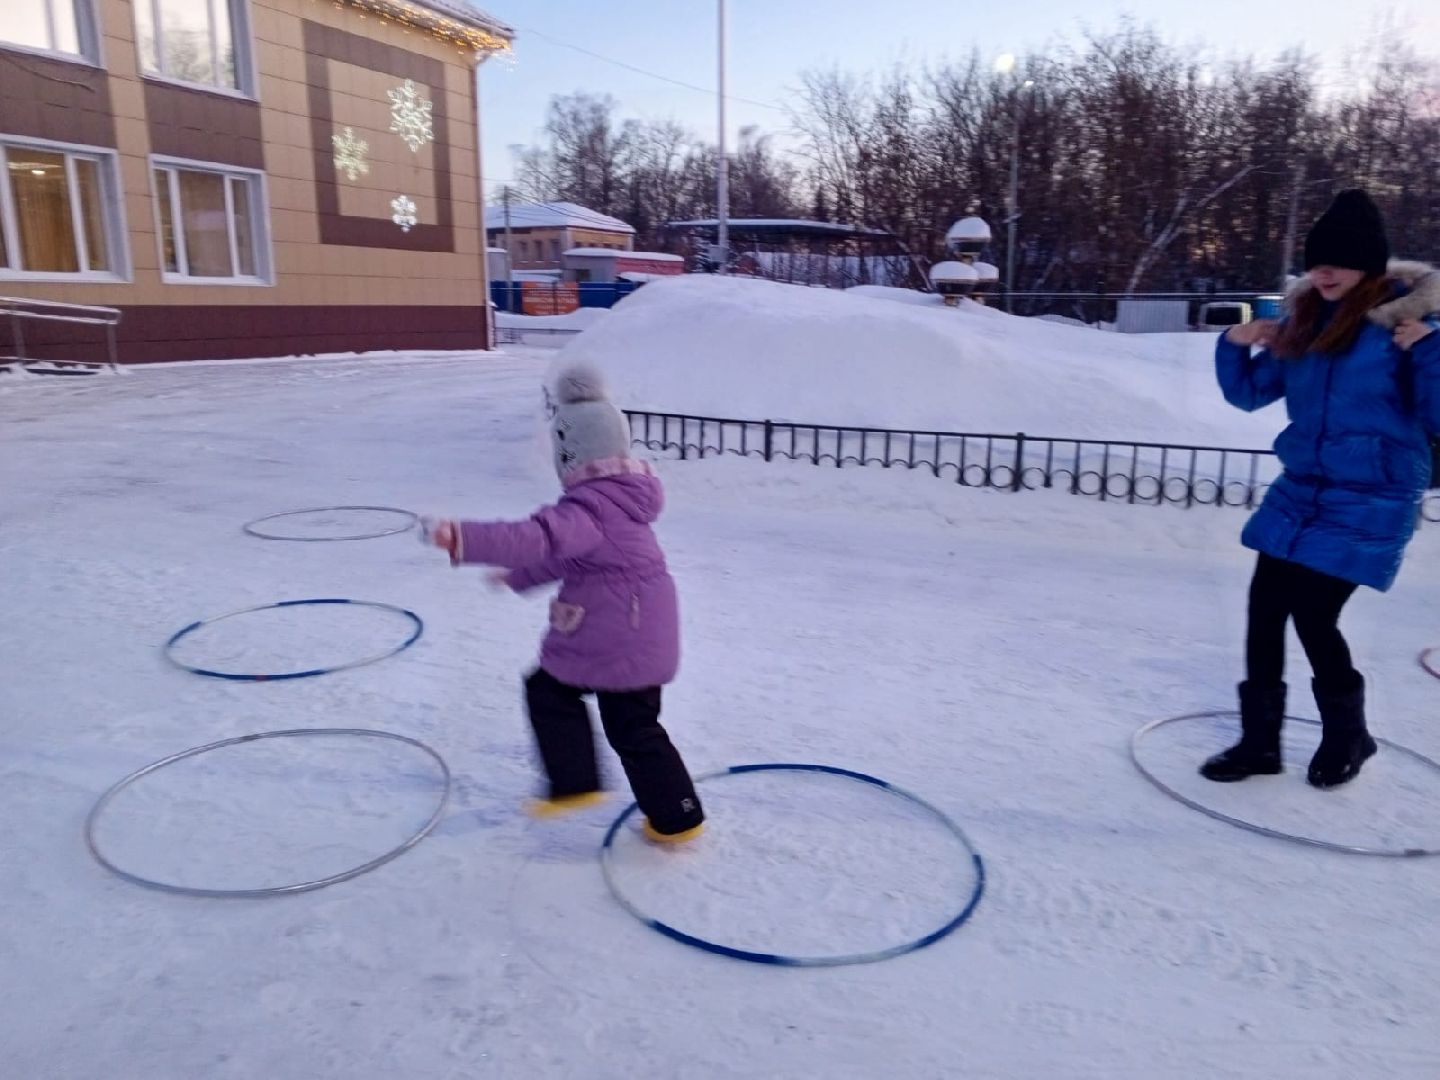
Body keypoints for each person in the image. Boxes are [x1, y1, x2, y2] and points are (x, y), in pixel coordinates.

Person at [1205, 189, 1440, 788]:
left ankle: (1348, 736)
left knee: (1313, 613)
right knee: (1264, 612)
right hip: (1302, 488)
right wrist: (1235, 345)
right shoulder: (1304, 321)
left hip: (1372, 495)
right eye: (1317, 261)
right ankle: (1259, 744)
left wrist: (1431, 350)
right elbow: (1250, 393)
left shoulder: (1406, 326)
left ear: (1369, 264)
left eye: (1338, 260)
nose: (1324, 272)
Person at [422, 363, 705, 841]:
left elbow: (539, 538)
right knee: (606, 714)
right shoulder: (618, 501)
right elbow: (567, 556)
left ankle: (629, 801)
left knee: (595, 711)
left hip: (620, 632)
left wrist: (463, 538)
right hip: (631, 628)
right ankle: (636, 803)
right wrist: (520, 577)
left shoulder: (589, 507)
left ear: (572, 455)